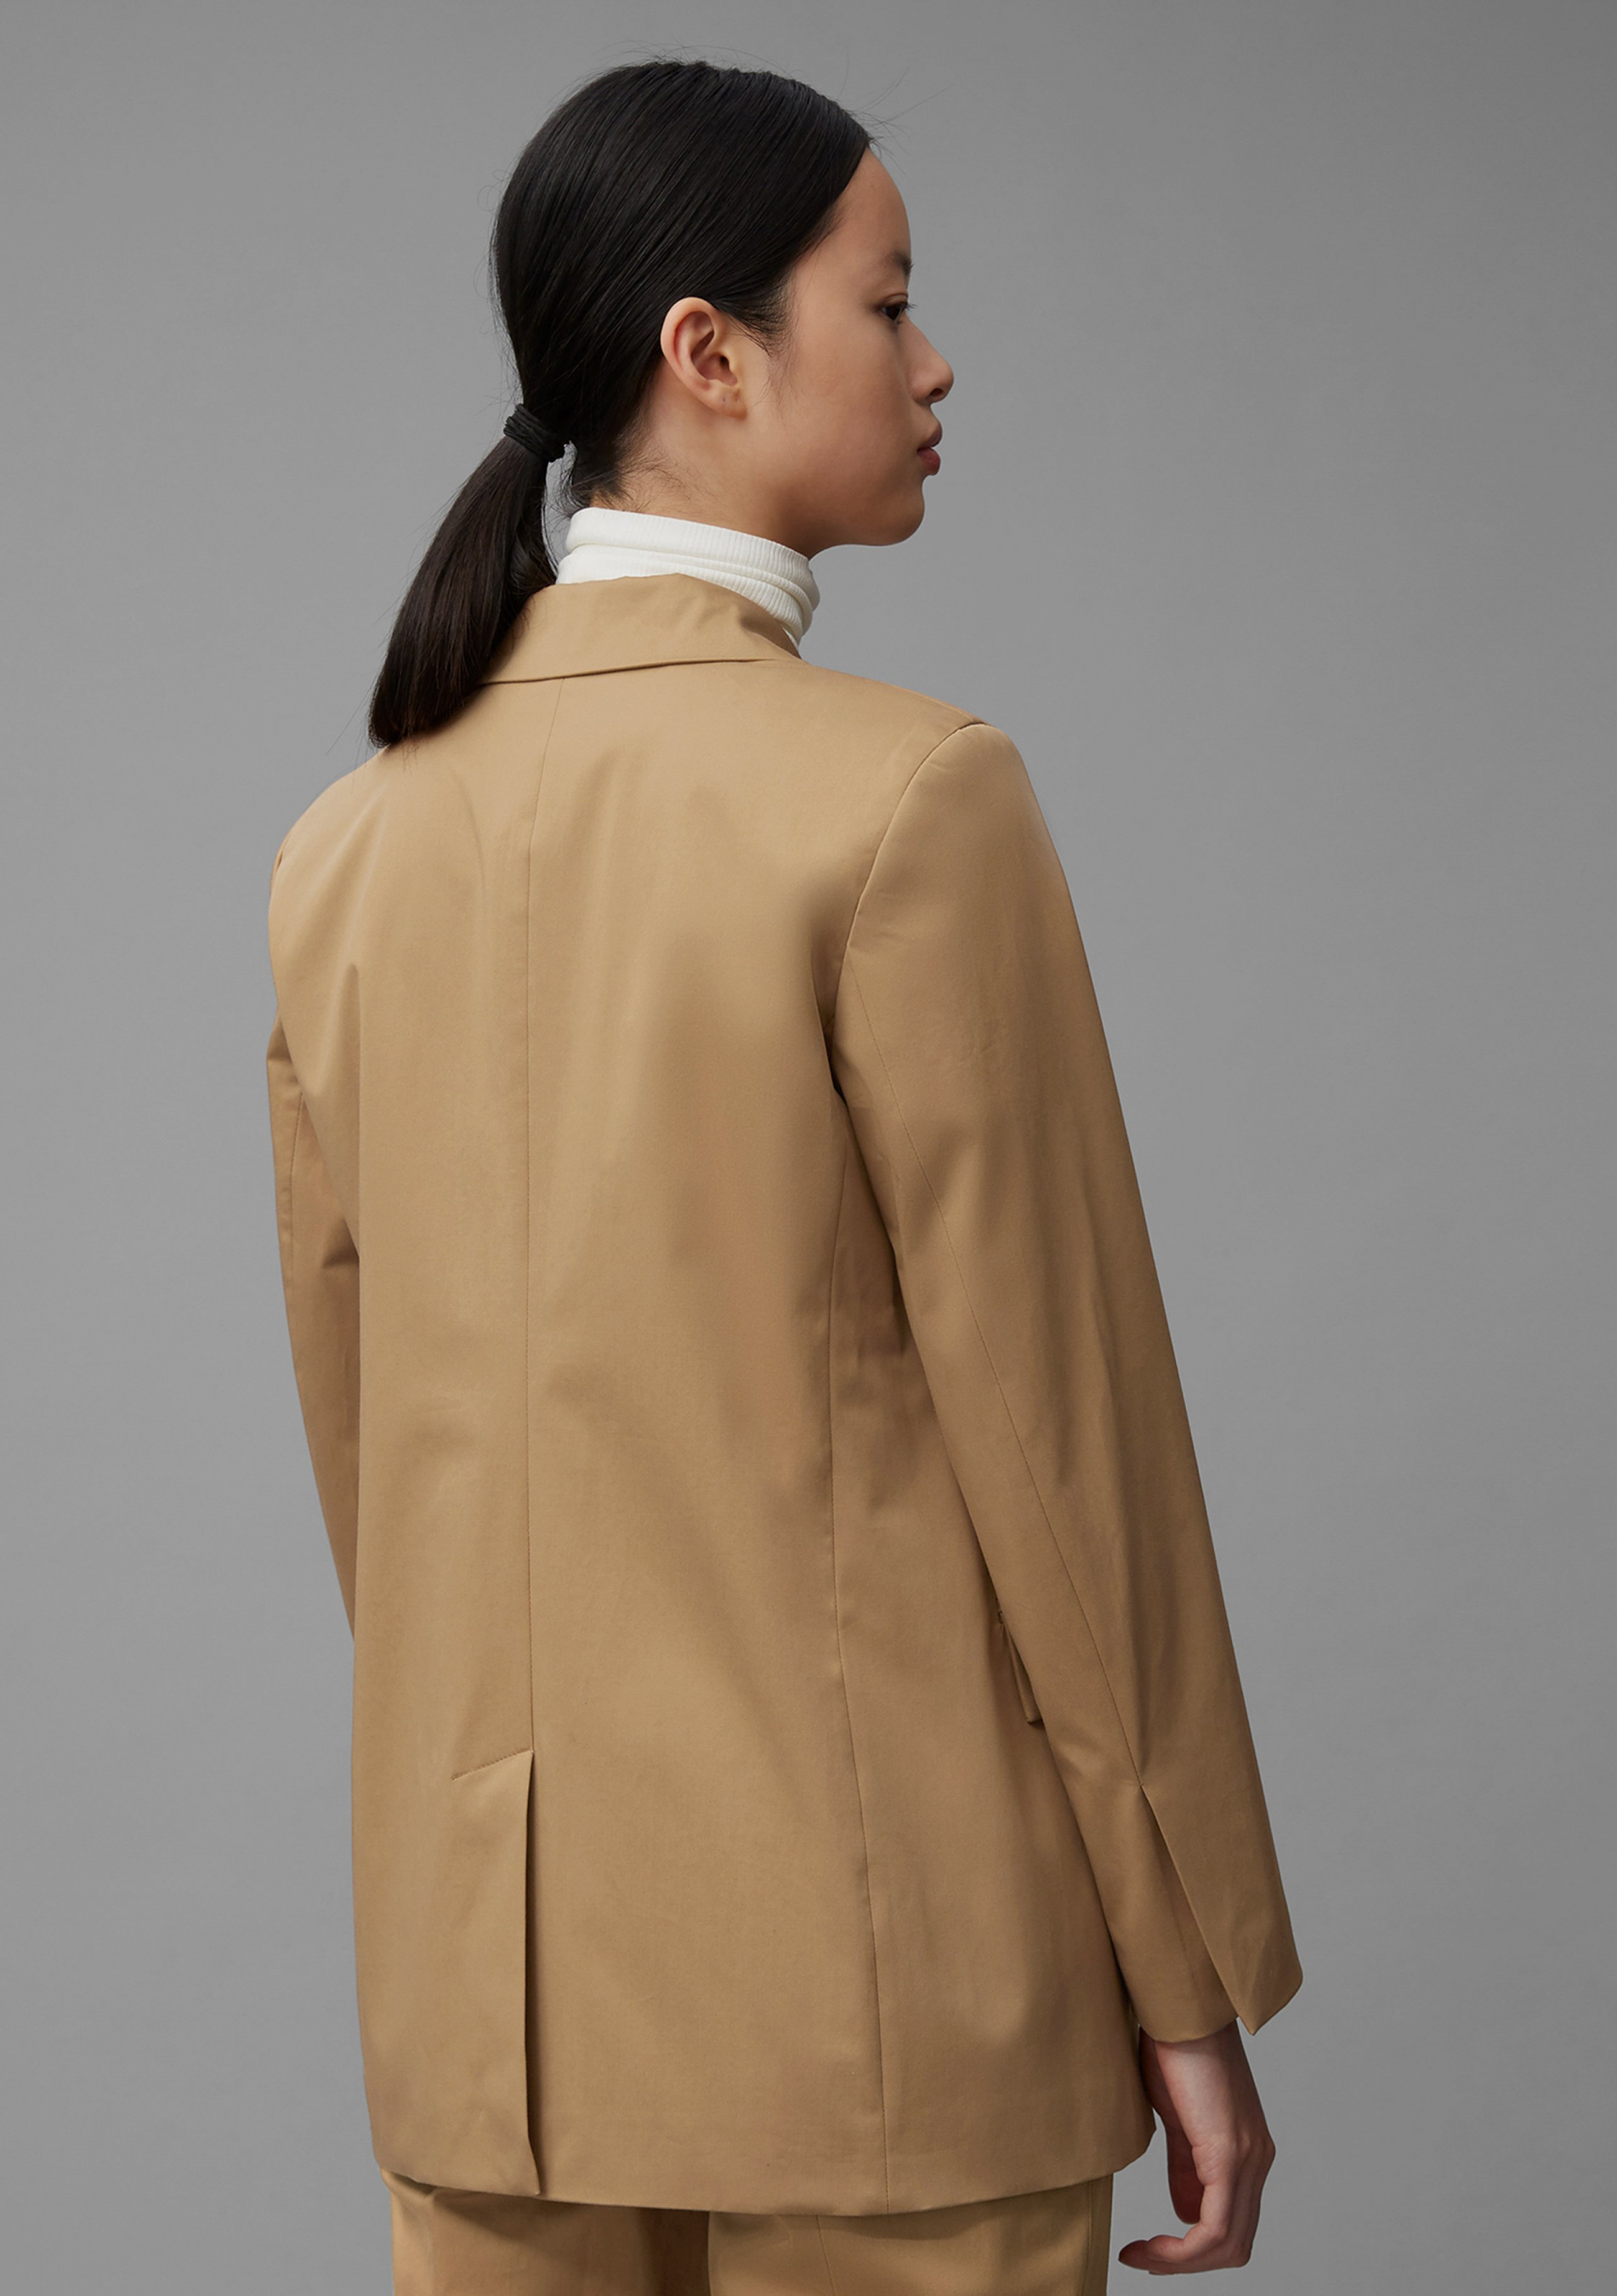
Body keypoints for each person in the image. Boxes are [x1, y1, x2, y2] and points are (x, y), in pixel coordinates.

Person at [264, 56, 1302, 2296]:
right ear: (706, 353)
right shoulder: (912, 800)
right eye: (889, 301)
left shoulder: (348, 846)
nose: (935, 366)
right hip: (886, 2008)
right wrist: (1186, 1968)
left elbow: (384, 1477)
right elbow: (1065, 1450)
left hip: (487, 2027)